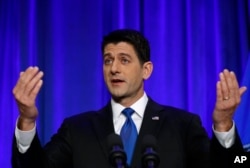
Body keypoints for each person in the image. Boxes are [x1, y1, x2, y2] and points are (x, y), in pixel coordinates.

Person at [11, 29, 247, 168]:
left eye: (124, 60)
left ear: (146, 70)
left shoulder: (182, 126)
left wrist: (224, 125)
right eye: (107, 60)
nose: (113, 68)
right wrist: (27, 122)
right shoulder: (76, 129)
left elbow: (231, 165)